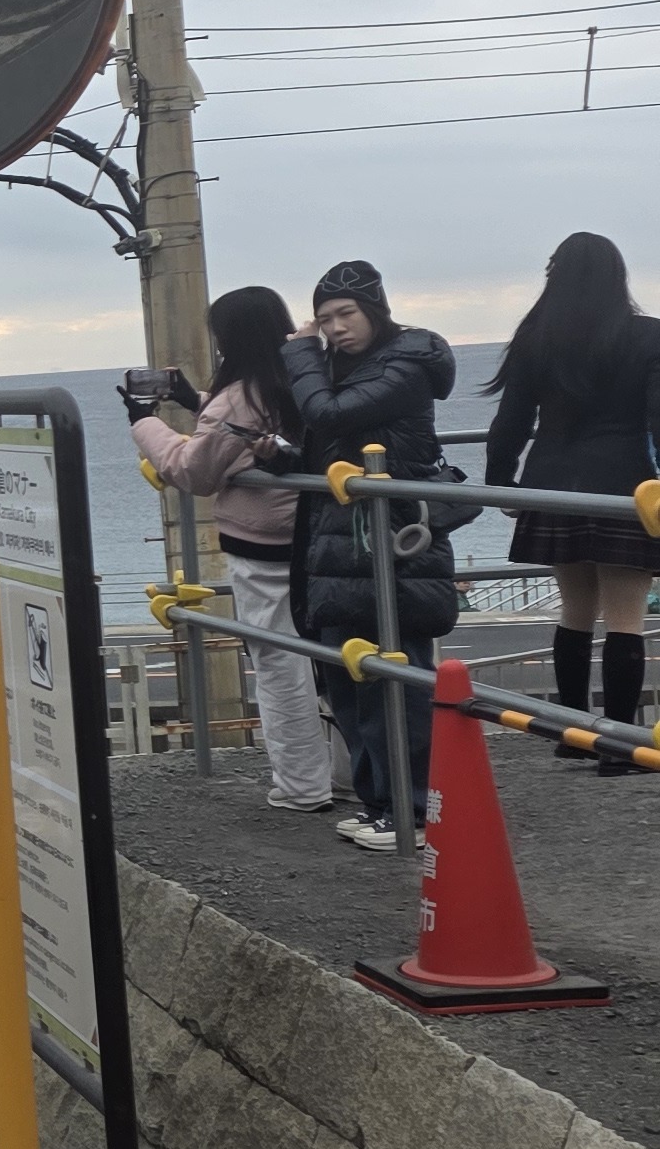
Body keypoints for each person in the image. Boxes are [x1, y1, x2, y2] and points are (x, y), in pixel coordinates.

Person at [127, 285, 333, 813]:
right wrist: (193, 400)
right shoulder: (306, 377)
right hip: (319, 538)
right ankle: (357, 774)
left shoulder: (238, 396)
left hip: (263, 547)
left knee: (279, 665)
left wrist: (144, 421)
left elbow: (193, 470)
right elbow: (244, 429)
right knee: (335, 659)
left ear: (229, 338)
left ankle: (303, 786)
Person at [280, 260, 458, 848]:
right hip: (341, 540)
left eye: (346, 314)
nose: (335, 328)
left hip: (392, 539)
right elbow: (325, 434)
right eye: (325, 318)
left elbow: (329, 414)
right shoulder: (350, 367)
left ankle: (413, 811)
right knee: (349, 675)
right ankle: (379, 801)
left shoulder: (407, 363)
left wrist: (301, 353)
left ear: (376, 310)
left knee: (395, 677)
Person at [483, 233, 660, 761]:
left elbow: (511, 420)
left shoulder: (536, 336)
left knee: (574, 611)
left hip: (553, 483)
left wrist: (501, 481)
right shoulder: (649, 336)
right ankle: (619, 745)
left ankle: (572, 736)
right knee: (625, 617)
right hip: (625, 485)